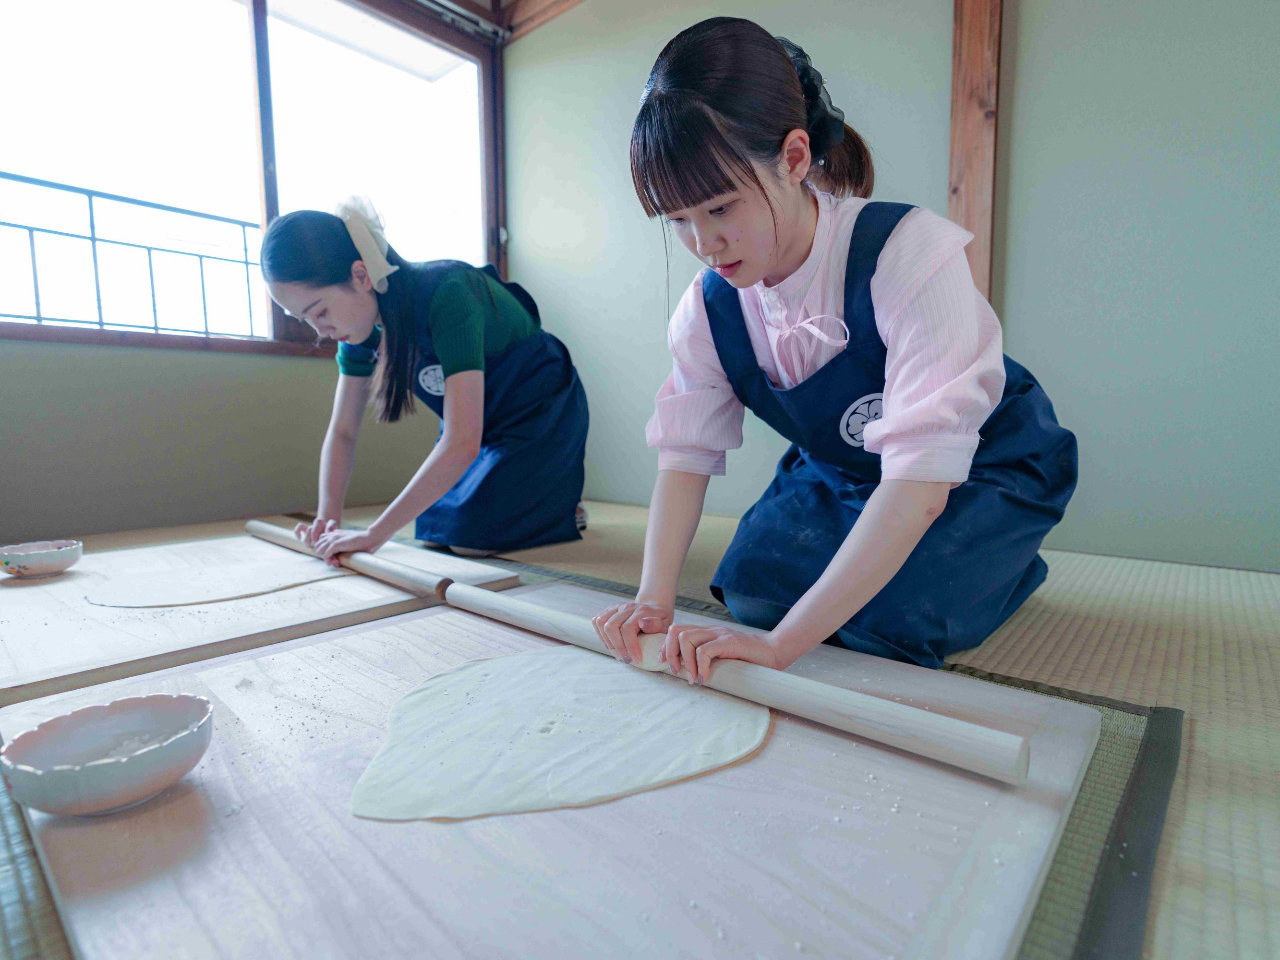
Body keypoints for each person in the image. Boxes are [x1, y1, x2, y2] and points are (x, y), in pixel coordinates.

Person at [592, 18, 1077, 680]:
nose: (704, 244)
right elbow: (685, 458)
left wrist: (779, 649)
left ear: (794, 159)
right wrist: (651, 600)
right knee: (754, 589)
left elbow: (919, 485)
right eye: (677, 219)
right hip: (849, 468)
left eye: (721, 208)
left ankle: (1006, 556)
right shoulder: (708, 309)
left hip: (977, 466)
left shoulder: (908, 252)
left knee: (894, 618)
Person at [261, 199, 589, 562]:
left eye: (319, 311)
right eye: (304, 319)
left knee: (470, 539)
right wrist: (327, 520)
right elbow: (343, 432)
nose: (319, 330)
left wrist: (373, 535)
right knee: (437, 528)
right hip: (480, 429)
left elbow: (462, 442)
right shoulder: (357, 331)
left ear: (360, 275)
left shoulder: (448, 293)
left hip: (540, 412)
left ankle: (560, 504)